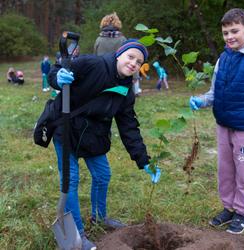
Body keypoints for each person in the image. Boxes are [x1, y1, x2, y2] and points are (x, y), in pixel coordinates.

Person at [48, 39, 161, 249]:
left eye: (138, 61)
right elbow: (58, 70)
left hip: (94, 136)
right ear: (119, 54)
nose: (133, 63)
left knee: (102, 175)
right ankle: (77, 236)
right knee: (70, 180)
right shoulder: (93, 63)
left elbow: (129, 127)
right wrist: (57, 78)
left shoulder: (126, 90)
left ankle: (99, 217)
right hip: (67, 127)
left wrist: (144, 160)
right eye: (130, 57)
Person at [189, 8, 244, 235]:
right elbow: (215, 91)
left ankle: (242, 212)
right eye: (225, 32)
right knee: (226, 171)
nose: (229, 37)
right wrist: (202, 100)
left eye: (234, 31)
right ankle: (228, 208)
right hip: (224, 125)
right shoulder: (223, 58)